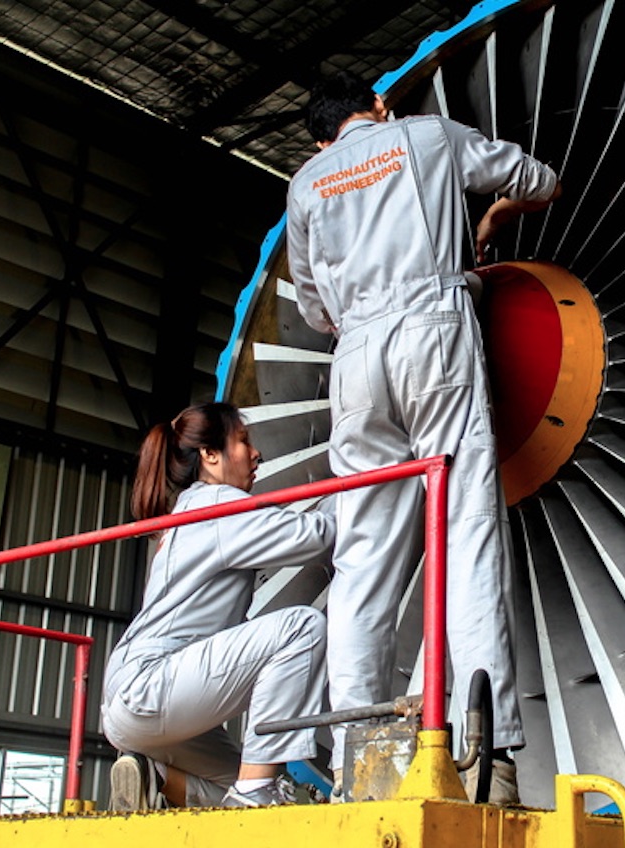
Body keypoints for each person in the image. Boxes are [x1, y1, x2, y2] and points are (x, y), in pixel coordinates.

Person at [284, 70, 561, 804]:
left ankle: (361, 765)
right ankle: (484, 754)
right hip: (433, 330)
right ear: (380, 106)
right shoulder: (429, 135)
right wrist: (491, 220)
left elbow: (313, 306)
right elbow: (540, 179)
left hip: (355, 362)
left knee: (364, 560)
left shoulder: (307, 183)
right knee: (466, 532)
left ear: (321, 136)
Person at [100, 401, 335, 809]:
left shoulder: (185, 513)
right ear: (210, 455)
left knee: (262, 786)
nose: (255, 453)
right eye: (243, 441)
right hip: (153, 686)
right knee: (303, 627)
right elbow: (316, 535)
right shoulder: (217, 504)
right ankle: (252, 791)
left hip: (134, 704)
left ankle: (157, 780)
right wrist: (359, 482)